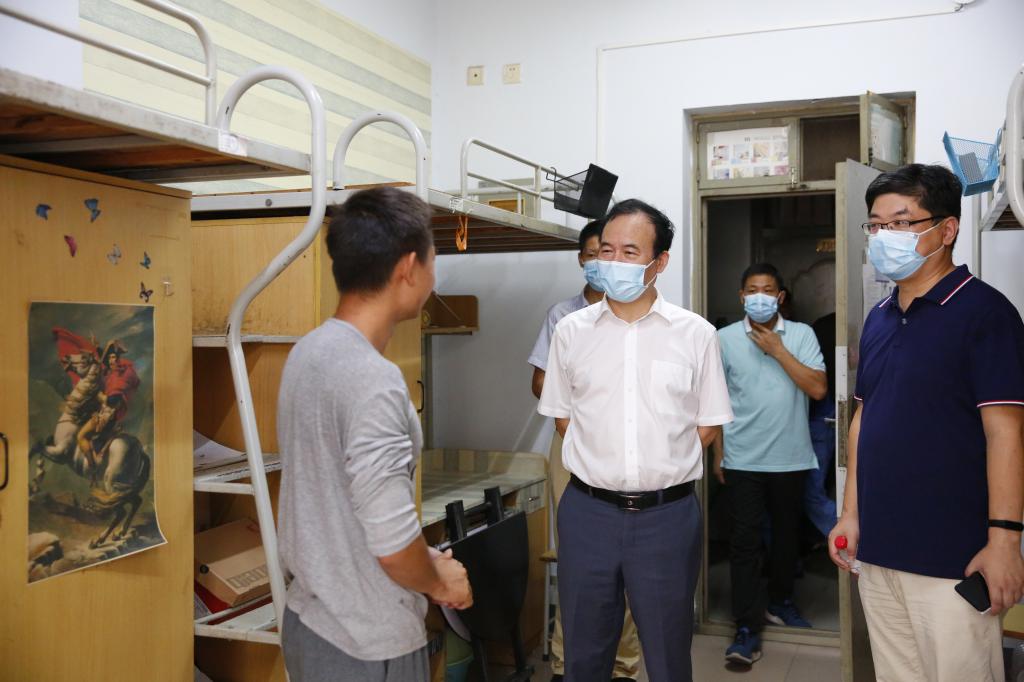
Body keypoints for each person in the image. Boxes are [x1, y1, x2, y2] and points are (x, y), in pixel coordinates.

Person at [829, 164, 1024, 682]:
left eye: (901, 222)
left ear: (947, 229)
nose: (883, 237)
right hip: (879, 552)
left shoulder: (986, 314)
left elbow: (1006, 433)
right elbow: (863, 416)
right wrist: (850, 514)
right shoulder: (879, 316)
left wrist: (1005, 543)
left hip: (953, 558)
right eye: (875, 225)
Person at [277, 188, 473, 682]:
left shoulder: (308, 352)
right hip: (365, 641)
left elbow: (339, 503)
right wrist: (439, 581)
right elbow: (391, 543)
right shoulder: (373, 379)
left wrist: (423, 558)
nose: (434, 274)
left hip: (312, 621)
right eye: (433, 259)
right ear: (408, 267)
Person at [539, 199, 733, 682]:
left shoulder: (696, 334)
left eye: (630, 252)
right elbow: (563, 417)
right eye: (606, 250)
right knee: (583, 653)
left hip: (667, 517)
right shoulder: (570, 331)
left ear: (659, 261)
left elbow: (707, 424)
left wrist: (657, 463)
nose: (614, 262)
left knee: (668, 655)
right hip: (588, 513)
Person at [528, 218, 642, 682]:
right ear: (582, 259)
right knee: (576, 559)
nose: (604, 262)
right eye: (595, 254)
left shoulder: (641, 314)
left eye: (614, 253)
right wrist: (583, 397)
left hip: (627, 448)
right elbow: (541, 383)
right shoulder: (563, 316)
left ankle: (623, 665)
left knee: (629, 560)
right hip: (571, 445)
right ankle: (565, 662)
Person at [712, 263, 827, 665]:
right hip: (742, 457)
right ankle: (746, 628)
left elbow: (818, 388)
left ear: (780, 297)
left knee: (786, 539)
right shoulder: (723, 339)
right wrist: (718, 452)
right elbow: (715, 401)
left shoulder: (801, 334)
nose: (759, 297)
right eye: (751, 290)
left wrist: (779, 351)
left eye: (767, 290)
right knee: (743, 543)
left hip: (790, 457)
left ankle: (780, 602)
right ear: (741, 296)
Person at [805, 312, 837, 539]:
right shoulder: (823, 326)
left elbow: (818, 389)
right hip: (824, 416)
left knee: (810, 493)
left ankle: (853, 540)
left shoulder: (818, 328)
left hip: (822, 416)